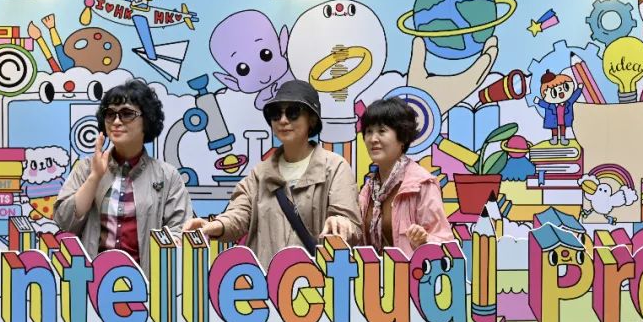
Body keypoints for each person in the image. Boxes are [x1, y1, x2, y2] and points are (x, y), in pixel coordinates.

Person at [183, 80, 360, 266]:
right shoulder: (259, 174)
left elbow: (350, 223)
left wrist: (341, 222)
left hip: (316, 280)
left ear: (312, 120)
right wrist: (215, 226)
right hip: (266, 281)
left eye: (293, 112)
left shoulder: (334, 167)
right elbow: (238, 215)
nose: (283, 120)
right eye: (276, 114)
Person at [54, 79, 191, 275]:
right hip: (93, 281)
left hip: (147, 284)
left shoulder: (167, 176)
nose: (116, 122)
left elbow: (180, 230)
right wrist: (95, 177)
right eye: (110, 114)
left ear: (147, 120)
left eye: (127, 114)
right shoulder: (86, 168)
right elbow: (64, 222)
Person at [358, 96, 452, 256]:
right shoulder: (368, 190)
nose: (373, 139)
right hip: (373, 272)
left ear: (402, 137)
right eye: (368, 132)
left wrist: (425, 240)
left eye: (382, 131)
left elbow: (445, 242)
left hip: (412, 271)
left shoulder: (421, 184)